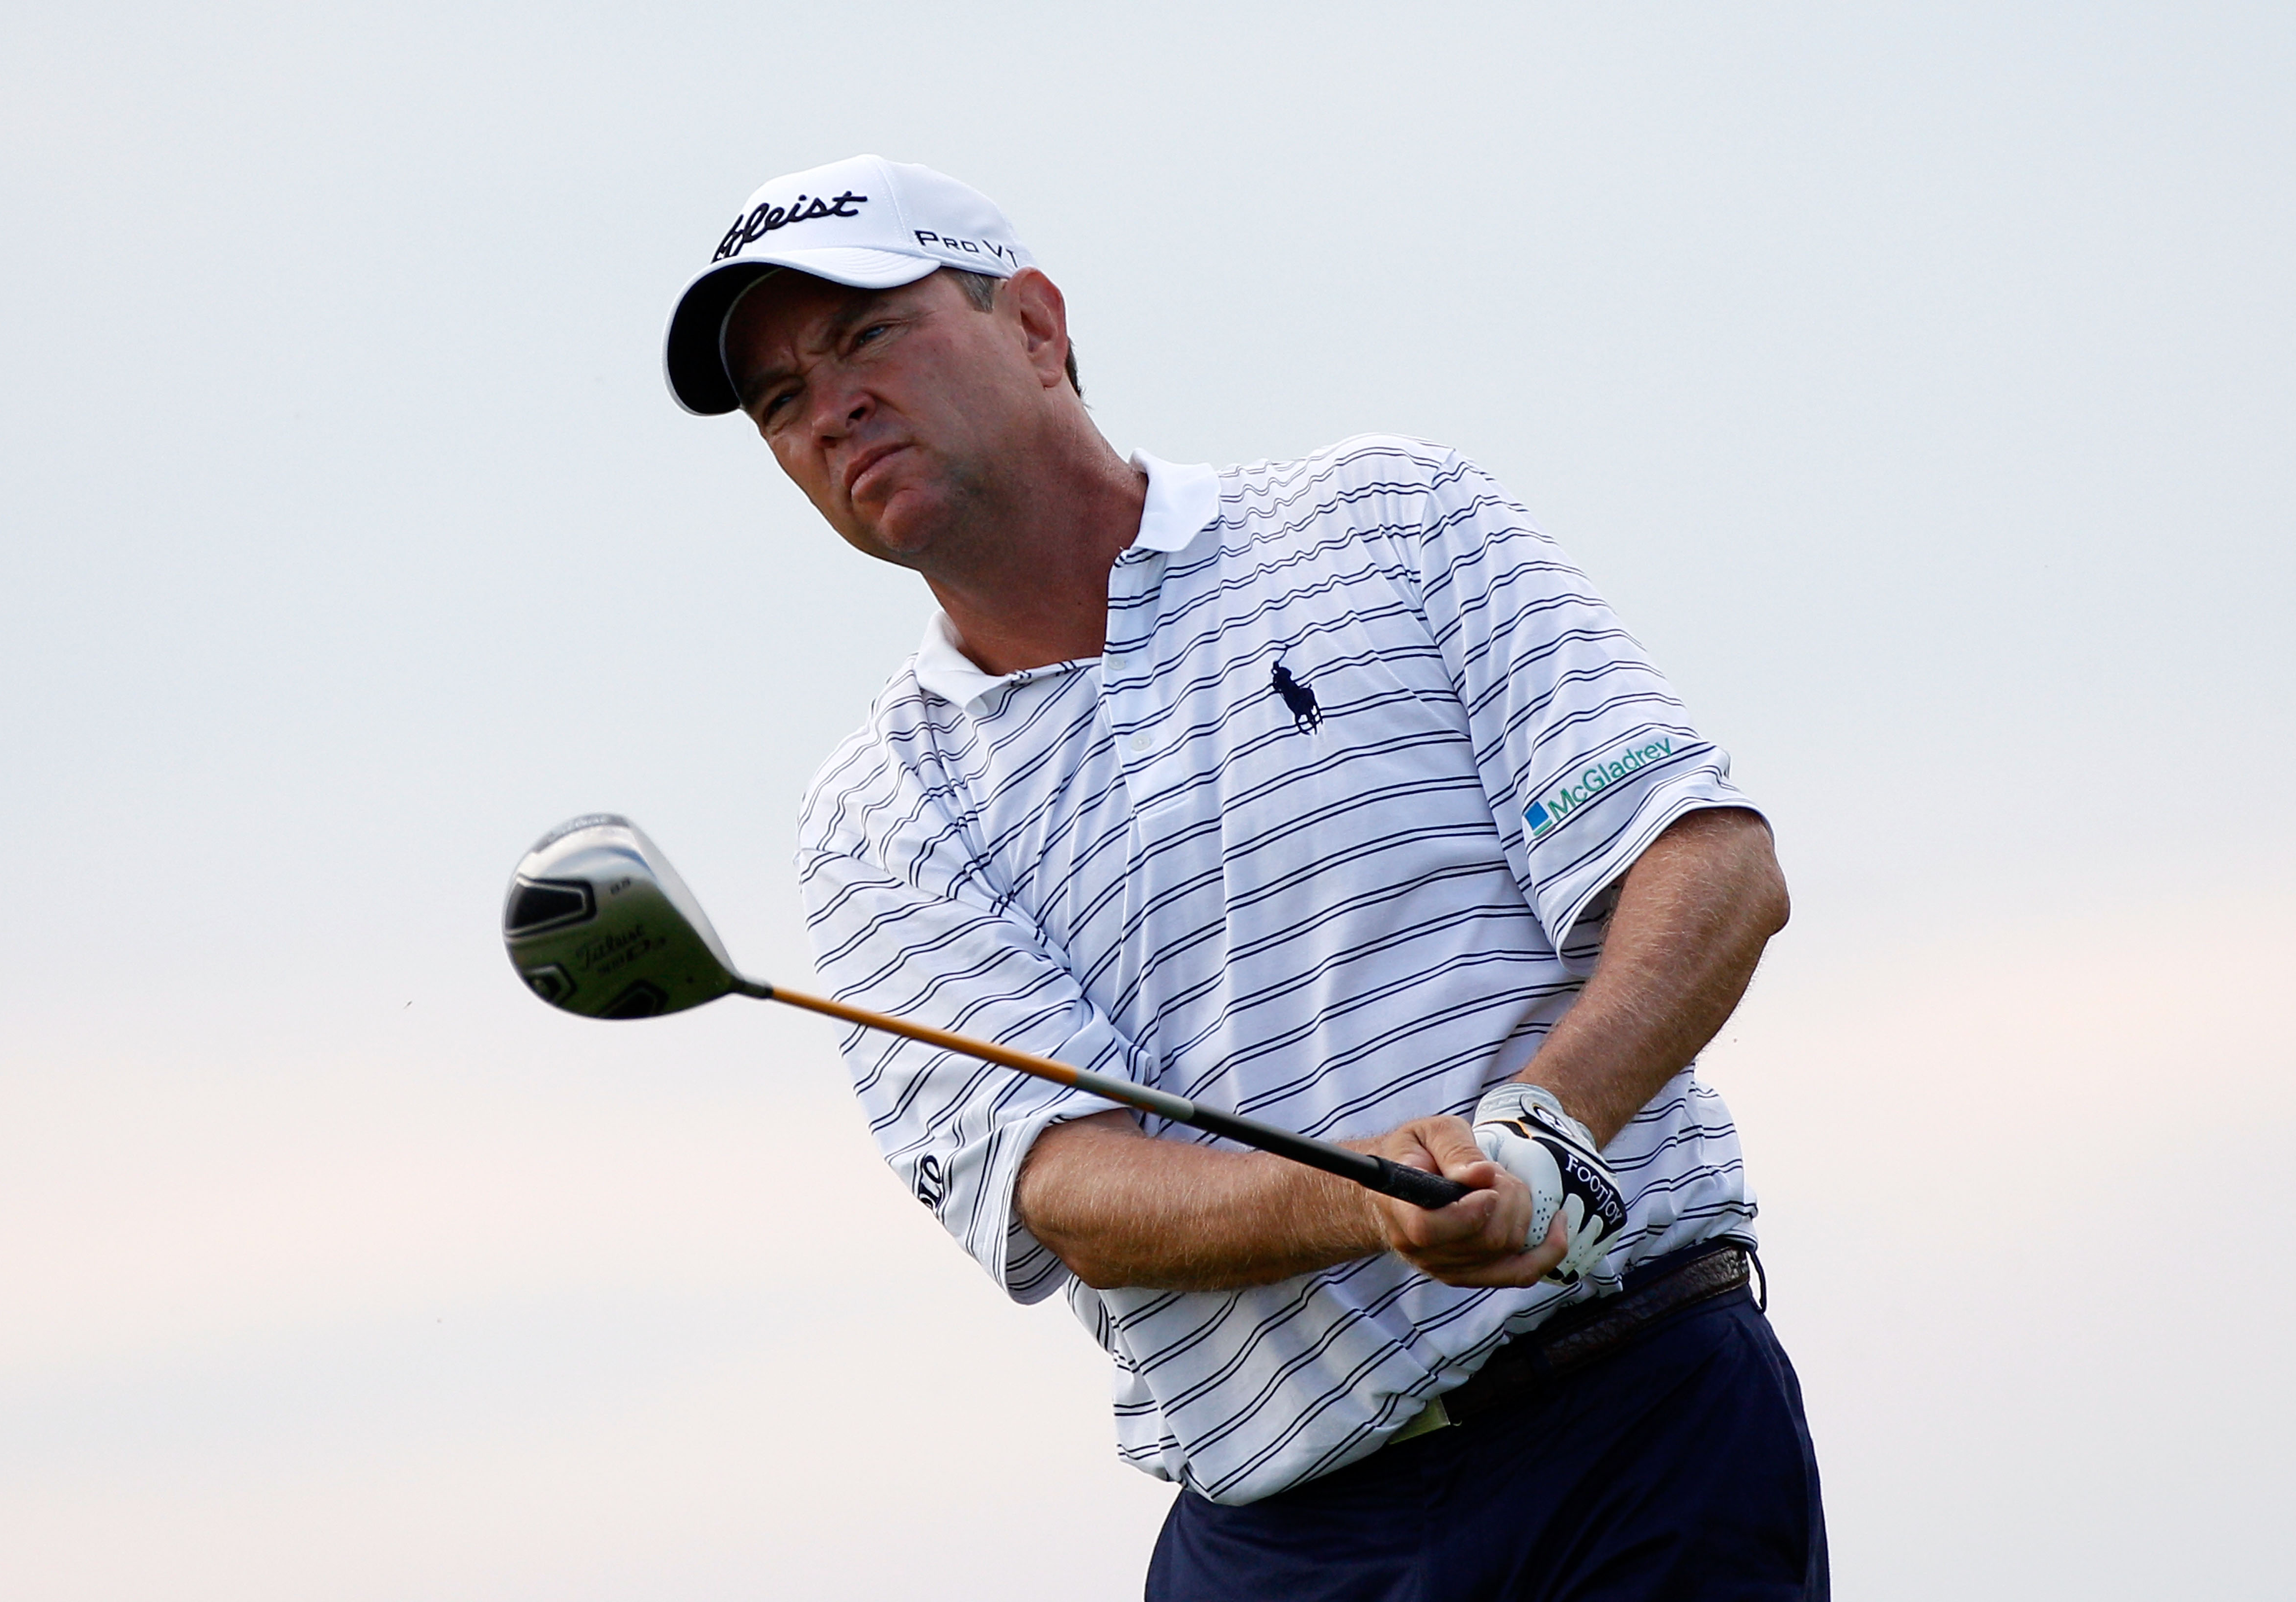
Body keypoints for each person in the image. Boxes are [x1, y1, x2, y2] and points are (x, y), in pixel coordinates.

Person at [666, 154, 1828, 1600]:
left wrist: (1547, 1124)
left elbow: (1709, 864)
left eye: (866, 335)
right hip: (1285, 1547)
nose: (830, 407)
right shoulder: (876, 819)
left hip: (1635, 1434)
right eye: (781, 399)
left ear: (1035, 327)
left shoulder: (1389, 521)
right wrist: (1371, 1205)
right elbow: (1067, 1188)